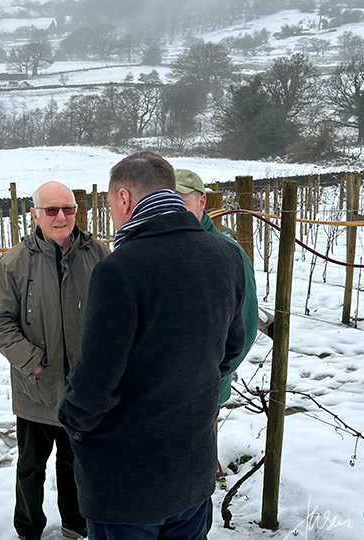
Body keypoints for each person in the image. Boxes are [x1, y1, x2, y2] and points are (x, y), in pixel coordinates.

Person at [58, 152, 247, 540]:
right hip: (193, 470)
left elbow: (95, 384)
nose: (112, 215)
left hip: (128, 485)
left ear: (125, 199)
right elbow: (231, 349)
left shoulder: (119, 270)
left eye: (111, 205)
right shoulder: (226, 256)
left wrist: (73, 422)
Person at [0, 181, 109, 540]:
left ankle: (75, 523)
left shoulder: (97, 253)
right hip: (36, 387)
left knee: (76, 463)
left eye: (67, 209)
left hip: (83, 388)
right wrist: (32, 361)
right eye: (51, 210)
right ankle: (28, 529)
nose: (61, 217)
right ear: (35, 214)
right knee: (31, 467)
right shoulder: (14, 262)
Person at [174, 169, 259, 416]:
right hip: (162, 392)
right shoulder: (163, 248)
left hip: (205, 391)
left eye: (182, 201)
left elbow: (246, 324)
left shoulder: (228, 253)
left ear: (202, 202)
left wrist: (213, 377)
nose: (175, 209)